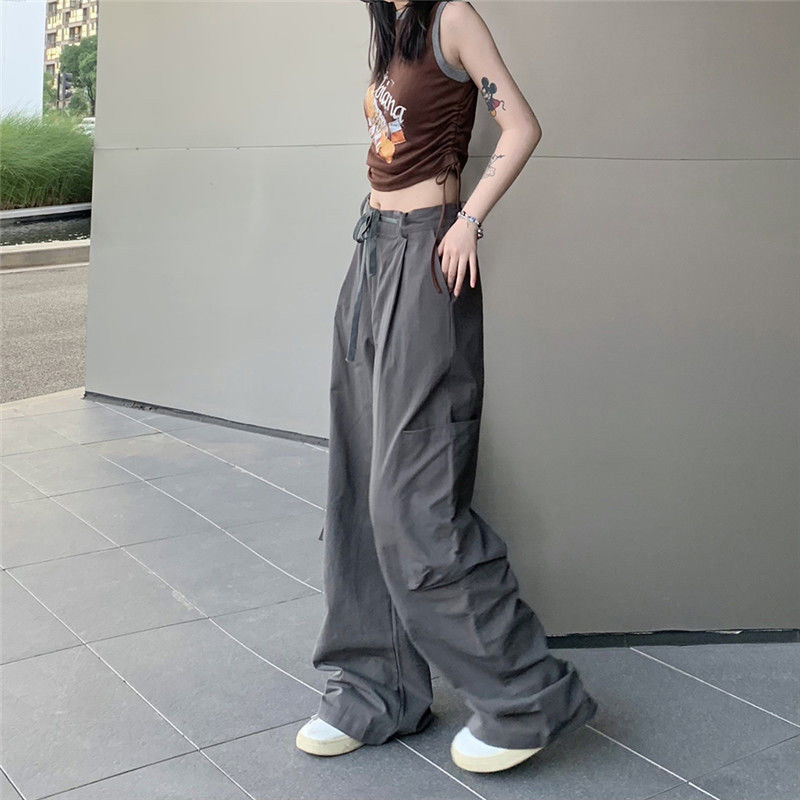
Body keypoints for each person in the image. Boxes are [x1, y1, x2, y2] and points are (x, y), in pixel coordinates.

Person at [296, 0, 598, 774]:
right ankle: (377, 689)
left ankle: (527, 697)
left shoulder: (451, 17)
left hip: (427, 255)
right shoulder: (390, 26)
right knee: (358, 484)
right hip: (372, 250)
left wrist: (469, 219)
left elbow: (520, 125)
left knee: (413, 496)